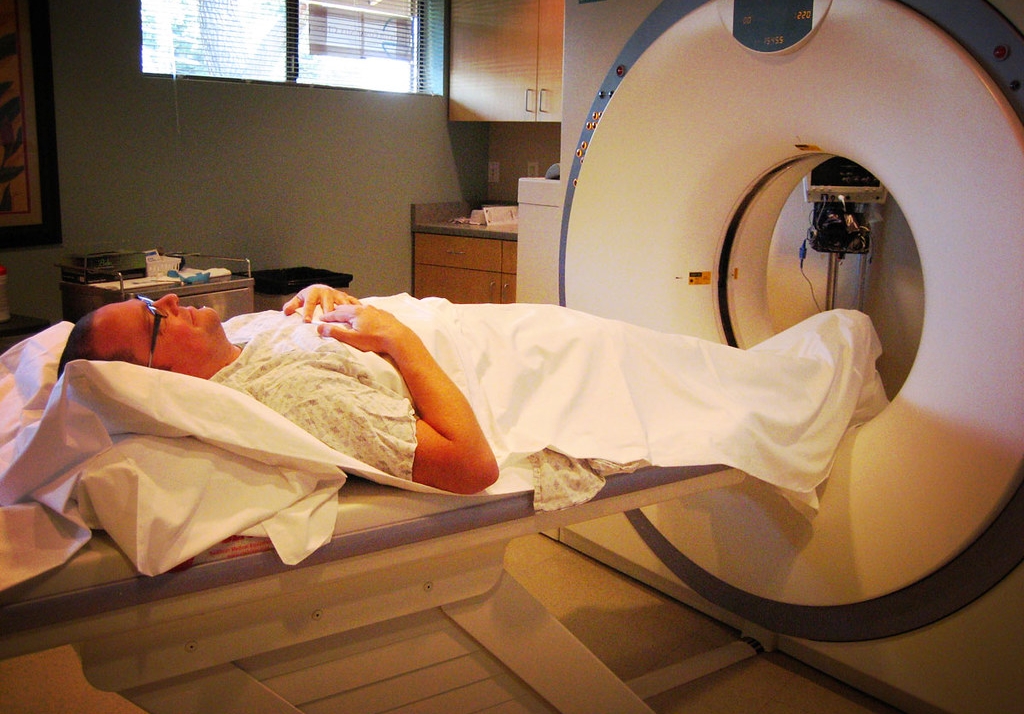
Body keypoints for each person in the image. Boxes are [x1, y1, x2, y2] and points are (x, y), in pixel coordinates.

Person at [57, 285, 499, 495]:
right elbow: (471, 467)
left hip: (452, 313)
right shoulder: (295, 396)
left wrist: (321, 295)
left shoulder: (235, 334)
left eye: (148, 301)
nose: (169, 301)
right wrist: (398, 337)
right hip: (491, 352)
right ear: (157, 377)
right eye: (154, 318)